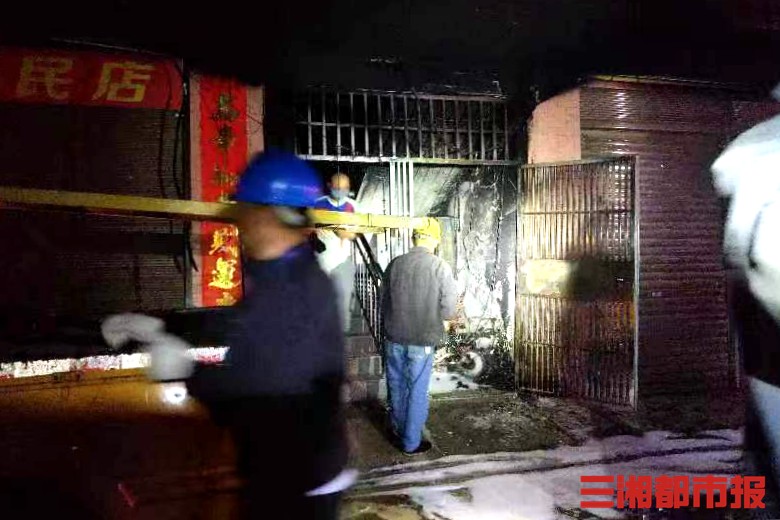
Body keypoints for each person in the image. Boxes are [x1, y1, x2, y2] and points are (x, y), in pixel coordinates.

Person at [183, 149, 354, 518]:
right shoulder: (285, 276)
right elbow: (246, 332)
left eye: (245, 211)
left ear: (267, 215)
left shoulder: (290, 290)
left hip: (295, 484)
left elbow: (252, 389)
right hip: (297, 473)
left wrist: (186, 372)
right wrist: (172, 332)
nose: (240, 223)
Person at [381, 218, 459, 455]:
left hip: (393, 337)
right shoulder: (439, 266)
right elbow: (449, 309)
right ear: (435, 240)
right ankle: (411, 442)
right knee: (416, 390)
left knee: (396, 385)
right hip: (421, 340)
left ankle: (398, 428)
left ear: (413, 238)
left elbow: (383, 300)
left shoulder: (395, 264)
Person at [313, 173, 360, 332]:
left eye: (344, 188)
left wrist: (340, 231)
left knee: (342, 301)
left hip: (342, 260)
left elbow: (354, 233)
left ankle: (340, 334)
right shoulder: (318, 204)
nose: (341, 191)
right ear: (329, 186)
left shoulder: (352, 206)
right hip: (321, 261)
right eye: (337, 187)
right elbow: (307, 228)